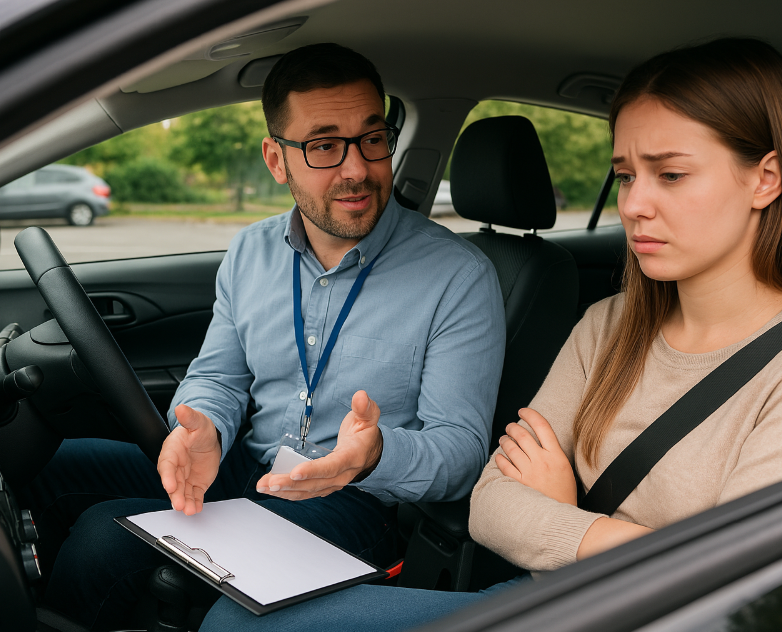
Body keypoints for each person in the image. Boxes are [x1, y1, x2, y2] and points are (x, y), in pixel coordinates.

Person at [194, 37, 782, 631]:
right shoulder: (608, 326)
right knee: (236, 617)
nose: (636, 205)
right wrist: (596, 536)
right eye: (625, 176)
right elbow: (493, 506)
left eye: (671, 174)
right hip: (547, 599)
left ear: (765, 178)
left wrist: (564, 517)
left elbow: (736, 591)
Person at [18, 43, 505, 629]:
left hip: (354, 501)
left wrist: (373, 456)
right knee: (51, 463)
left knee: (105, 536)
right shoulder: (251, 251)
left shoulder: (458, 275)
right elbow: (219, 376)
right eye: (325, 146)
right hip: (243, 462)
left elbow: (461, 448)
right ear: (278, 160)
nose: (357, 169)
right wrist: (201, 427)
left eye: (372, 139)